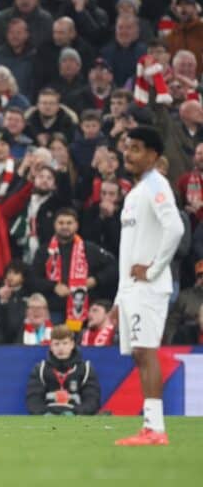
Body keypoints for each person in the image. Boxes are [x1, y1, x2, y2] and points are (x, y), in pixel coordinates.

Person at [112, 126, 185, 446]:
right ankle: (150, 426)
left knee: (146, 351)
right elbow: (128, 251)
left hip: (148, 287)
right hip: (131, 289)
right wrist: (118, 296)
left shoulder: (158, 185)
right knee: (140, 354)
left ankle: (155, 429)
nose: (128, 153)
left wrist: (154, 269)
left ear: (154, 156)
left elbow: (176, 228)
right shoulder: (134, 193)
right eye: (128, 147)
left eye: (137, 148)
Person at [25, 324, 101, 416]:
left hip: (76, 419)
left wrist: (76, 413)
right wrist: (45, 414)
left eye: (65, 343)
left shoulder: (86, 369)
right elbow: (33, 400)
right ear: (51, 346)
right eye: (56, 344)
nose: (61, 348)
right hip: (47, 419)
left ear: (72, 344)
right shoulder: (40, 369)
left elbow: (92, 400)